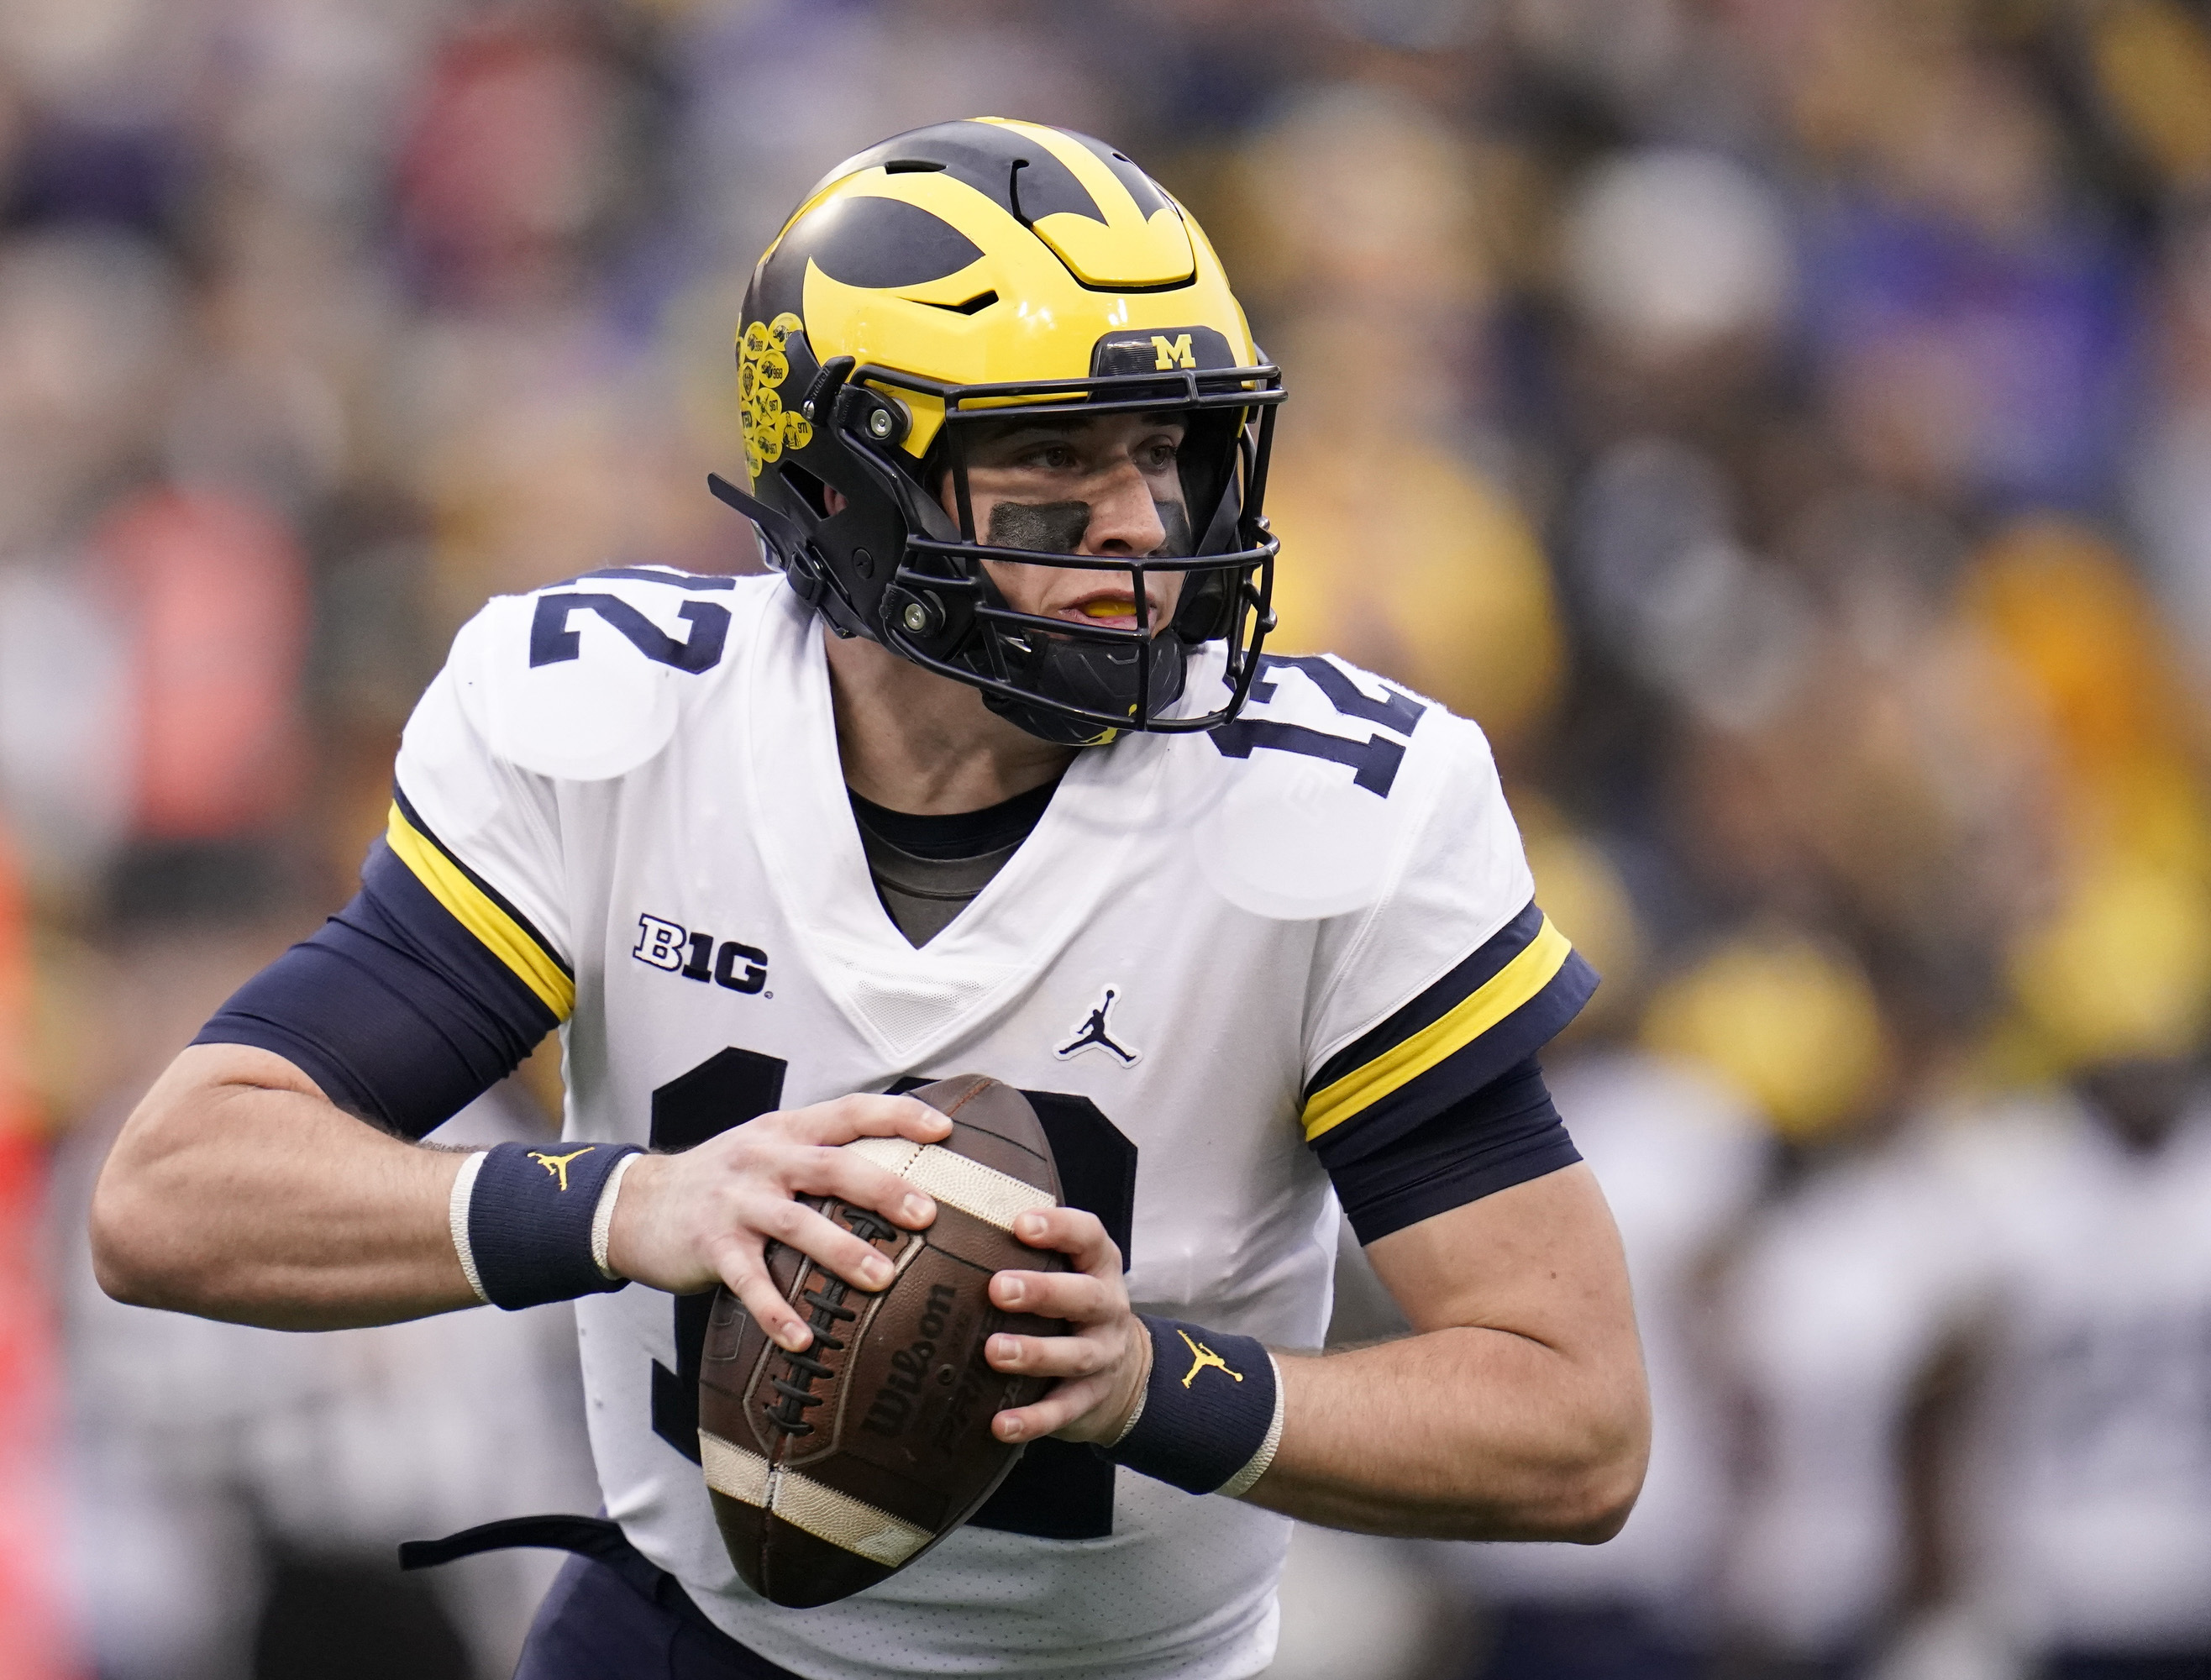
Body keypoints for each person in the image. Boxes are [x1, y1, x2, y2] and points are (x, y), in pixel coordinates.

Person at [89, 118, 1649, 1680]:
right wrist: (632, 1204)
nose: (1140, 522)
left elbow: (1576, 1426)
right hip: (685, 1637)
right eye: (1054, 453)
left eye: (1167, 446)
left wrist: (1148, 1387)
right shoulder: (615, 727)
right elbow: (173, 1190)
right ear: (849, 486)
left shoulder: (1326, 816)